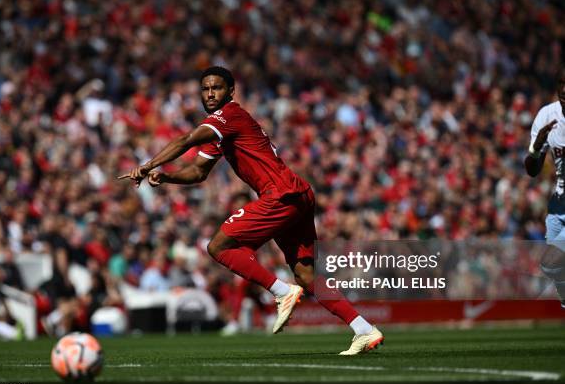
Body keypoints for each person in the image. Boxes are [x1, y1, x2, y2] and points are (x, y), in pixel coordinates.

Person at [120, 66, 383, 354]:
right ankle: (364, 329)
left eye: (216, 88)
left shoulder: (228, 116)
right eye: (205, 89)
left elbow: (185, 141)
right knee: (306, 276)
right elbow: (198, 172)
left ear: (230, 91)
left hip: (281, 195)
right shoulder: (223, 130)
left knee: (219, 246)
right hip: (298, 195)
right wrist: (167, 176)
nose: (209, 94)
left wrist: (147, 165)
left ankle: (281, 292)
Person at [524, 67, 565, 308]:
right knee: (553, 268)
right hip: (558, 203)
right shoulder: (547, 115)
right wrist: (536, 147)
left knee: (550, 262)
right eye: (561, 83)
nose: (564, 90)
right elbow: (532, 170)